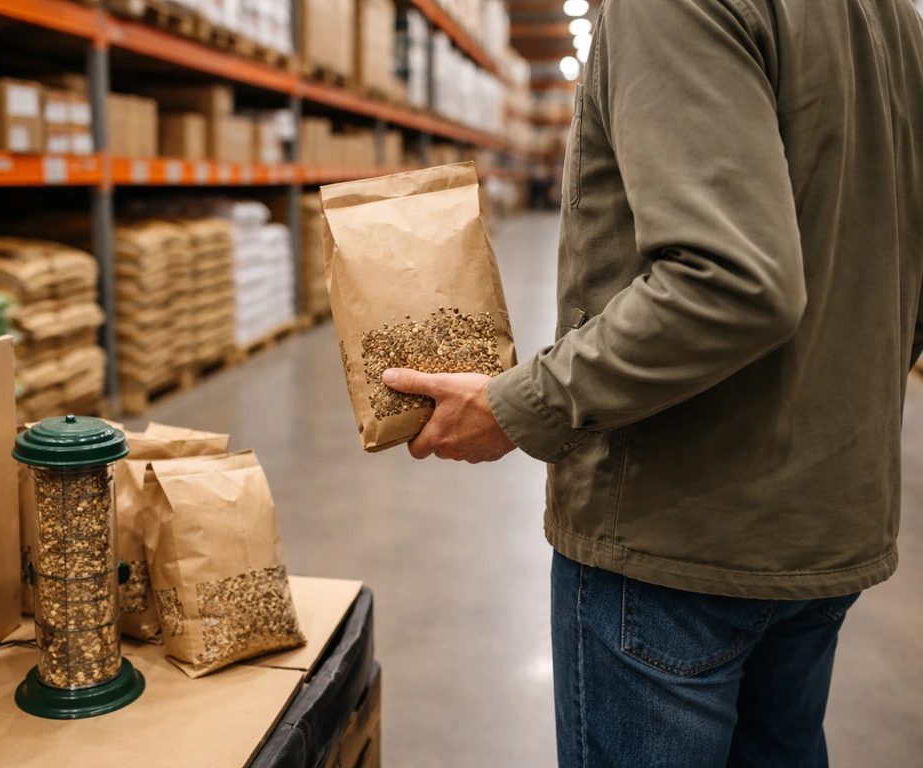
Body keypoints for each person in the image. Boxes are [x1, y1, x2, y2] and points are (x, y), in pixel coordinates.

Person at [381, 0, 923, 765]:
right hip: (830, 521)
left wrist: (519, 409)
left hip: (677, 539)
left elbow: (735, 282)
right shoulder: (891, 15)